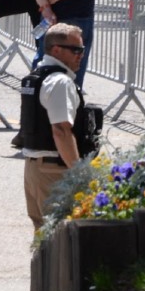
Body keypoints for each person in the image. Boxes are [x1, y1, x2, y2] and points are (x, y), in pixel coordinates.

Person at [18, 22, 90, 230]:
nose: (81, 55)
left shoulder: (38, 75)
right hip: (53, 169)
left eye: (82, 50)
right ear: (56, 50)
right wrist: (78, 172)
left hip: (35, 167)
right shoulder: (60, 82)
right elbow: (60, 131)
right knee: (60, 235)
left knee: (44, 235)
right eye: (76, 50)